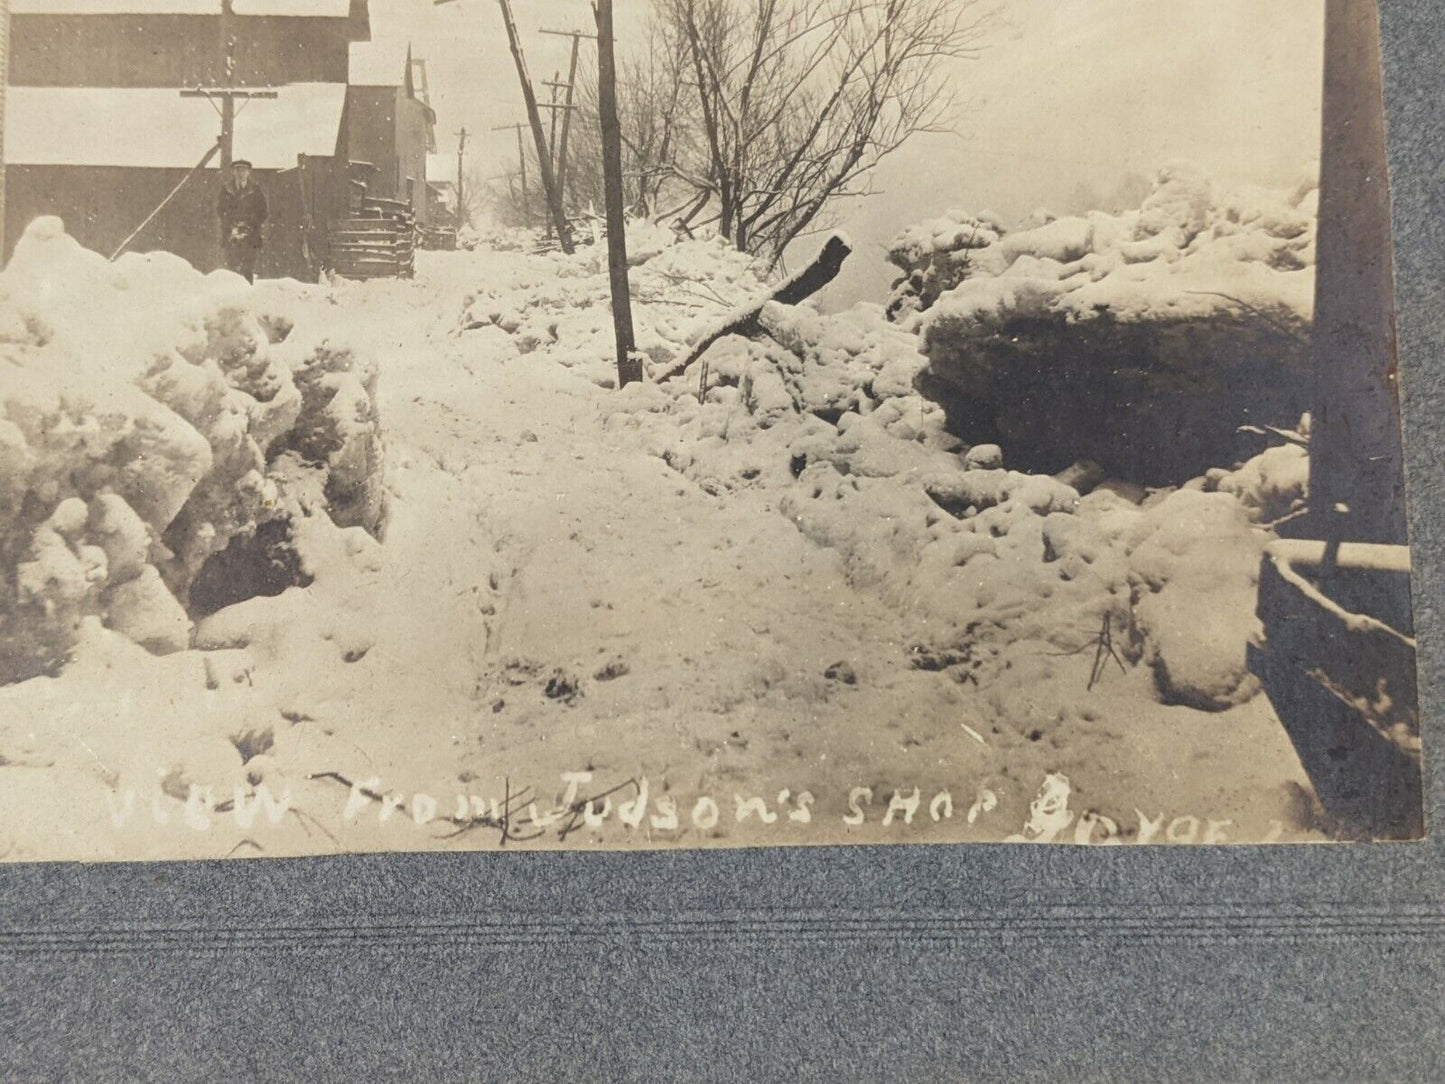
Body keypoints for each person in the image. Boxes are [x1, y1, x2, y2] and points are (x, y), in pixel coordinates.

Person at [218, 159, 268, 283]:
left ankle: (247, 296)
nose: (241, 173)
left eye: (244, 170)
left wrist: (250, 225)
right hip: (232, 234)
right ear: (233, 172)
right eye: (237, 170)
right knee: (232, 268)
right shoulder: (226, 189)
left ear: (249, 173)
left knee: (247, 268)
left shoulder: (255, 190)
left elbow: (263, 211)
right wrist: (232, 225)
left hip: (251, 235)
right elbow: (221, 210)